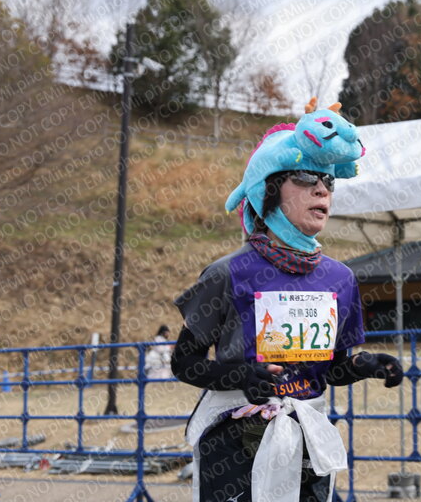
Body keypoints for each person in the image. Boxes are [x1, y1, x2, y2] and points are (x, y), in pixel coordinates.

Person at [171, 98, 403, 502]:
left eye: (328, 181)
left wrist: (362, 365)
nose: (321, 188)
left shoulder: (340, 278)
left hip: (307, 438)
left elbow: (329, 370)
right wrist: (240, 377)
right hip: (235, 444)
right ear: (269, 189)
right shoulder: (227, 273)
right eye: (305, 177)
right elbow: (184, 362)